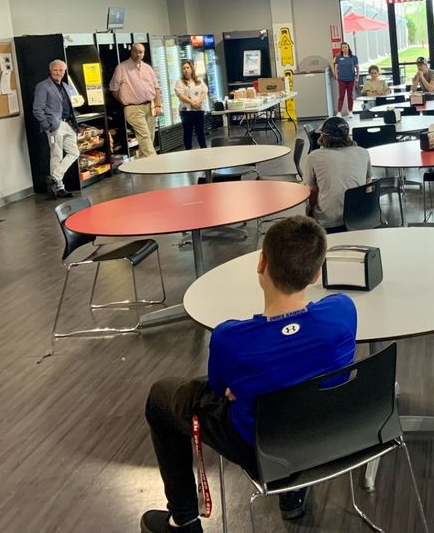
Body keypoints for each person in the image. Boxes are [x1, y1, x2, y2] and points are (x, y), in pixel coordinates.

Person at [141, 217, 357, 532]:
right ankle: (292, 496)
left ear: (261, 263)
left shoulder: (230, 338)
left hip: (257, 446)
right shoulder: (342, 312)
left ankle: (183, 519)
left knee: (160, 398)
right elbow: (318, 319)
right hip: (323, 435)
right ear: (315, 274)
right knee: (300, 383)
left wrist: (239, 386)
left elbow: (220, 389)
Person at [305, 117, 372, 230]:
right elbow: (368, 185)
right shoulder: (363, 152)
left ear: (323, 136)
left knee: (308, 208)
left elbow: (312, 190)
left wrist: (311, 209)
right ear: (347, 135)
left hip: (328, 222)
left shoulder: (313, 157)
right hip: (359, 218)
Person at [33, 59, 81, 198]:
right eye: (55, 70)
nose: (58, 72)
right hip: (55, 125)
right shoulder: (43, 86)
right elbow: (37, 109)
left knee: (74, 153)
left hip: (68, 124)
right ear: (50, 70)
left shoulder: (65, 86)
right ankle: (59, 188)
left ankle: (54, 177)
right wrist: (47, 125)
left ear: (64, 72)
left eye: (61, 70)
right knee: (56, 155)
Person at [109, 42, 162, 158]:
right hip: (133, 108)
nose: (138, 54)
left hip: (150, 106)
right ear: (131, 52)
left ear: (144, 53)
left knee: (150, 136)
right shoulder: (121, 68)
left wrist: (158, 105)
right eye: (136, 51)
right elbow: (114, 89)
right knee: (144, 136)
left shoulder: (148, 68)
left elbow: (156, 87)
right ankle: (155, 161)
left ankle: (144, 163)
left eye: (141, 52)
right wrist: (125, 100)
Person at [174, 60, 208, 150]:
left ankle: (204, 150)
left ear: (191, 68)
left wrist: (198, 102)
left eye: (187, 68)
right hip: (186, 111)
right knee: (188, 132)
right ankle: (188, 151)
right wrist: (192, 103)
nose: (186, 70)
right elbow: (180, 95)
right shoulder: (179, 81)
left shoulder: (198, 80)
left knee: (200, 132)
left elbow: (204, 91)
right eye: (184, 68)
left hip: (199, 109)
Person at [331, 42, 359, 117]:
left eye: (345, 47)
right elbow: (336, 67)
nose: (344, 49)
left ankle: (350, 111)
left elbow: (357, 67)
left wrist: (357, 77)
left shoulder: (354, 57)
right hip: (341, 79)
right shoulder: (338, 57)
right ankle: (339, 112)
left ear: (348, 47)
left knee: (350, 96)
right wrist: (336, 76)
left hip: (351, 79)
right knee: (341, 96)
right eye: (343, 47)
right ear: (341, 49)